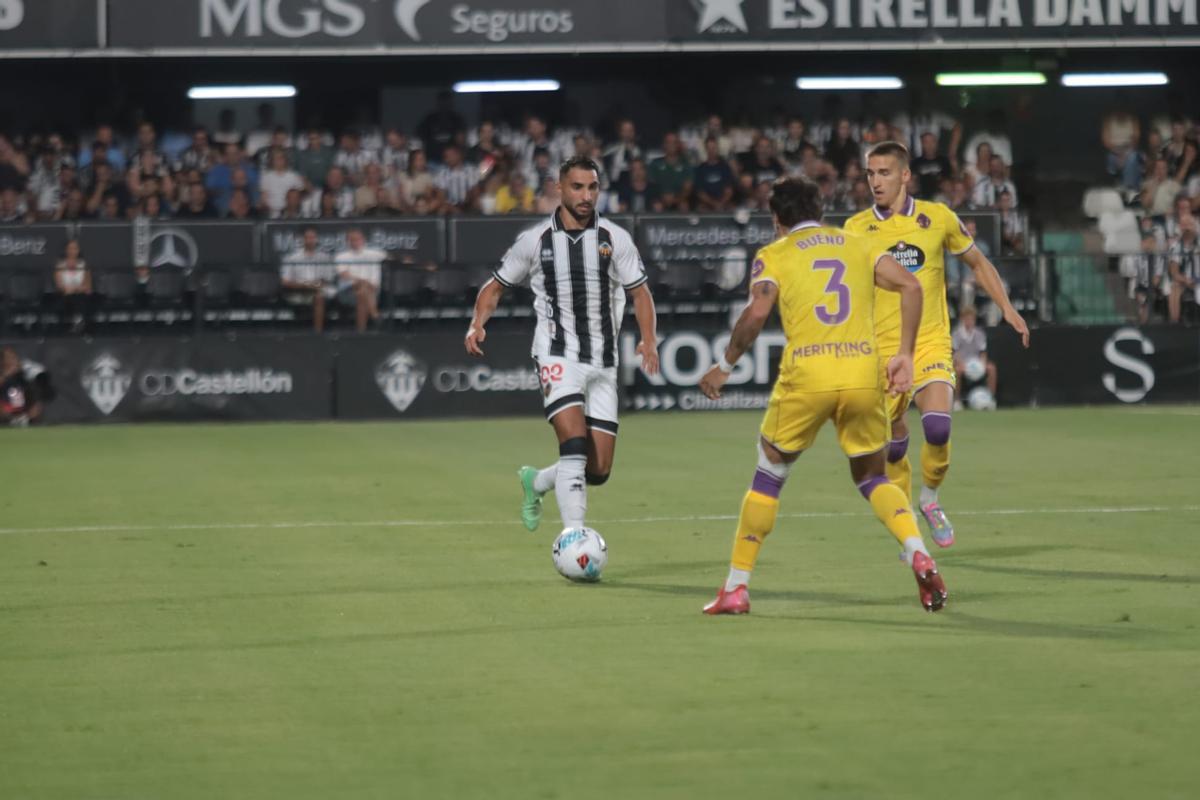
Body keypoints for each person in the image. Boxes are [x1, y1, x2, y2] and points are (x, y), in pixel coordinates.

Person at [697, 176, 946, 615]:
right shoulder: (856, 243)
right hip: (862, 373)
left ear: (776, 218)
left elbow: (756, 313)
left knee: (770, 470)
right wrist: (905, 354)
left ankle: (736, 587)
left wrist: (726, 366)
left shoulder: (775, 254)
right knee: (873, 477)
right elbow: (911, 285)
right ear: (821, 209)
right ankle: (917, 550)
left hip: (808, 374)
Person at [844, 141, 1030, 548]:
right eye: (871, 173)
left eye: (884, 172)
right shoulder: (856, 228)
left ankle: (929, 499)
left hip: (929, 343)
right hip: (881, 353)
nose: (875, 181)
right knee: (893, 450)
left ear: (905, 175)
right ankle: (907, 524)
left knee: (938, 426)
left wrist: (1008, 308)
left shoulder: (937, 218)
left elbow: (977, 262)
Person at [465, 156, 659, 537]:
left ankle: (537, 482)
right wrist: (477, 324)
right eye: (577, 187)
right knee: (573, 443)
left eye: (592, 187)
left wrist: (649, 340)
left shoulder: (615, 238)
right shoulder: (535, 240)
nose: (586, 196)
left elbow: (641, 293)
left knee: (598, 470)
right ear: (559, 188)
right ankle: (574, 537)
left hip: (603, 360)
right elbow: (495, 287)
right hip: (556, 353)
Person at [281, 227, 336, 333]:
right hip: (298, 290)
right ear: (302, 240)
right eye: (307, 237)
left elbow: (328, 279)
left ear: (317, 239)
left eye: (312, 237)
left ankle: (318, 332)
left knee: (319, 296)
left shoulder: (325, 257)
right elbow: (285, 281)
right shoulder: (292, 257)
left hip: (319, 289)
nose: (310, 240)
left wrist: (315, 285)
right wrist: (305, 285)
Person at [334, 228, 384, 332]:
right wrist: (363, 281)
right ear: (347, 241)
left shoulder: (375, 253)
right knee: (362, 289)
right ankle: (375, 315)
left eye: (358, 239)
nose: (355, 242)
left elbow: (392, 259)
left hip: (372, 290)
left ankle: (361, 331)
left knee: (362, 293)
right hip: (348, 291)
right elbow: (344, 274)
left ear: (363, 240)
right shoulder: (342, 256)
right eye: (352, 239)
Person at [952, 307, 997, 402]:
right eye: (967, 319)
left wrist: (983, 364)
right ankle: (957, 400)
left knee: (991, 368)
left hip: (977, 363)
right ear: (962, 319)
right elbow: (955, 353)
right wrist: (961, 364)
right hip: (963, 363)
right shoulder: (956, 334)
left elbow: (983, 352)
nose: (969, 321)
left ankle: (990, 398)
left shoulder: (980, 334)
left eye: (971, 319)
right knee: (957, 370)